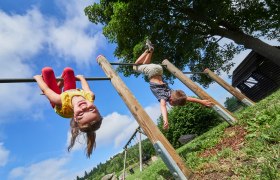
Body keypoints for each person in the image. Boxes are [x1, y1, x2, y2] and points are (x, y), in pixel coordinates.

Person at [133, 42, 213, 130]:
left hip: (159, 69)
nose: (171, 105)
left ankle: (150, 51)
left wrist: (202, 102)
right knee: (135, 66)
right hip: (152, 72)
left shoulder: (171, 92)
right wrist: (165, 120)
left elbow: (187, 98)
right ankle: (147, 50)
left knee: (145, 64)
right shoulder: (164, 97)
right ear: (171, 100)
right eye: (173, 104)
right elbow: (163, 106)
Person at [33, 67, 102, 158]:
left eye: (81, 114)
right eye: (91, 109)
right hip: (70, 92)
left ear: (75, 117)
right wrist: (81, 78)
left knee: (47, 71)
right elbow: (86, 87)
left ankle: (58, 87)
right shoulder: (90, 97)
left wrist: (38, 78)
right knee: (69, 71)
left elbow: (46, 90)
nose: (84, 107)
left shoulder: (59, 101)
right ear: (97, 108)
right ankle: (59, 86)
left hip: (59, 102)